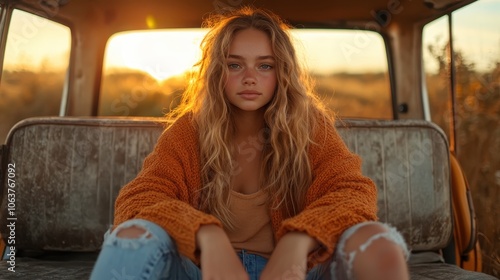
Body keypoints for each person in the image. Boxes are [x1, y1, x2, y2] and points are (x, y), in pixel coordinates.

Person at [90, 6, 409, 280]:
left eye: (265, 65)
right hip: (201, 271)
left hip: (298, 271)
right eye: (235, 64)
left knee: (378, 239)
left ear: (281, 71)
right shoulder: (188, 131)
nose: (250, 77)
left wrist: (299, 239)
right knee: (130, 235)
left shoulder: (310, 128)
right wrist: (207, 234)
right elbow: (139, 198)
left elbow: (354, 192)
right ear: (218, 71)